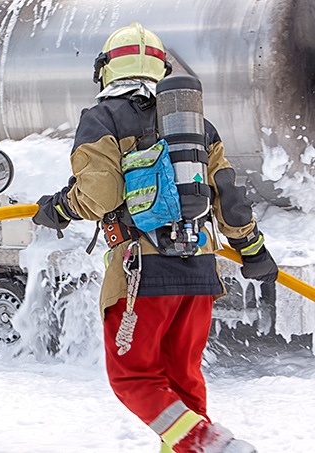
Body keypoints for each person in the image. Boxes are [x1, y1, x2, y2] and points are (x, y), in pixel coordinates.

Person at [32, 23, 278, 453]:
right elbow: (230, 200)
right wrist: (254, 251)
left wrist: (57, 208)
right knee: (182, 379)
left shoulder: (102, 117)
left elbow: (98, 195)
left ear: (107, 70)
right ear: (160, 68)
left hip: (142, 275)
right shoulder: (196, 124)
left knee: (134, 377)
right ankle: (197, 446)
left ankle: (206, 442)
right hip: (200, 272)